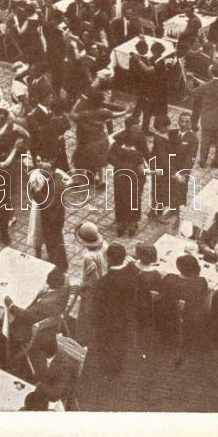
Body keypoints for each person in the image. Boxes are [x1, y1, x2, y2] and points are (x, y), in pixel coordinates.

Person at [93, 242, 140, 374]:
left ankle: (107, 368)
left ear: (109, 259)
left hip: (108, 319)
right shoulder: (131, 275)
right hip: (125, 316)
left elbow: (98, 305)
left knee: (107, 343)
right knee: (120, 342)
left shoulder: (103, 282)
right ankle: (117, 365)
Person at [4, 267, 70, 354]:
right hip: (50, 324)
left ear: (48, 283)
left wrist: (11, 305)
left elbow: (25, 315)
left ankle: (9, 348)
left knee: (8, 319)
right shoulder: (65, 290)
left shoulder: (45, 303)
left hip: (32, 330)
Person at [109, 118, 148, 237]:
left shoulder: (121, 141)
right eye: (137, 126)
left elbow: (110, 156)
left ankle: (124, 223)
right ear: (131, 127)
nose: (139, 127)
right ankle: (129, 223)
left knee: (124, 198)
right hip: (133, 175)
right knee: (131, 198)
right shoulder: (122, 140)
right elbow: (145, 155)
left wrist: (120, 165)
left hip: (122, 175)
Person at [167, 112, 199, 217]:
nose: (184, 124)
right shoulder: (172, 133)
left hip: (181, 170)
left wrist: (183, 174)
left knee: (179, 190)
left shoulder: (193, 139)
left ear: (191, 123)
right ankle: (170, 209)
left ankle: (177, 211)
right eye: (181, 121)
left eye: (187, 122)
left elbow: (191, 158)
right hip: (170, 167)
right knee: (169, 188)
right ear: (178, 121)